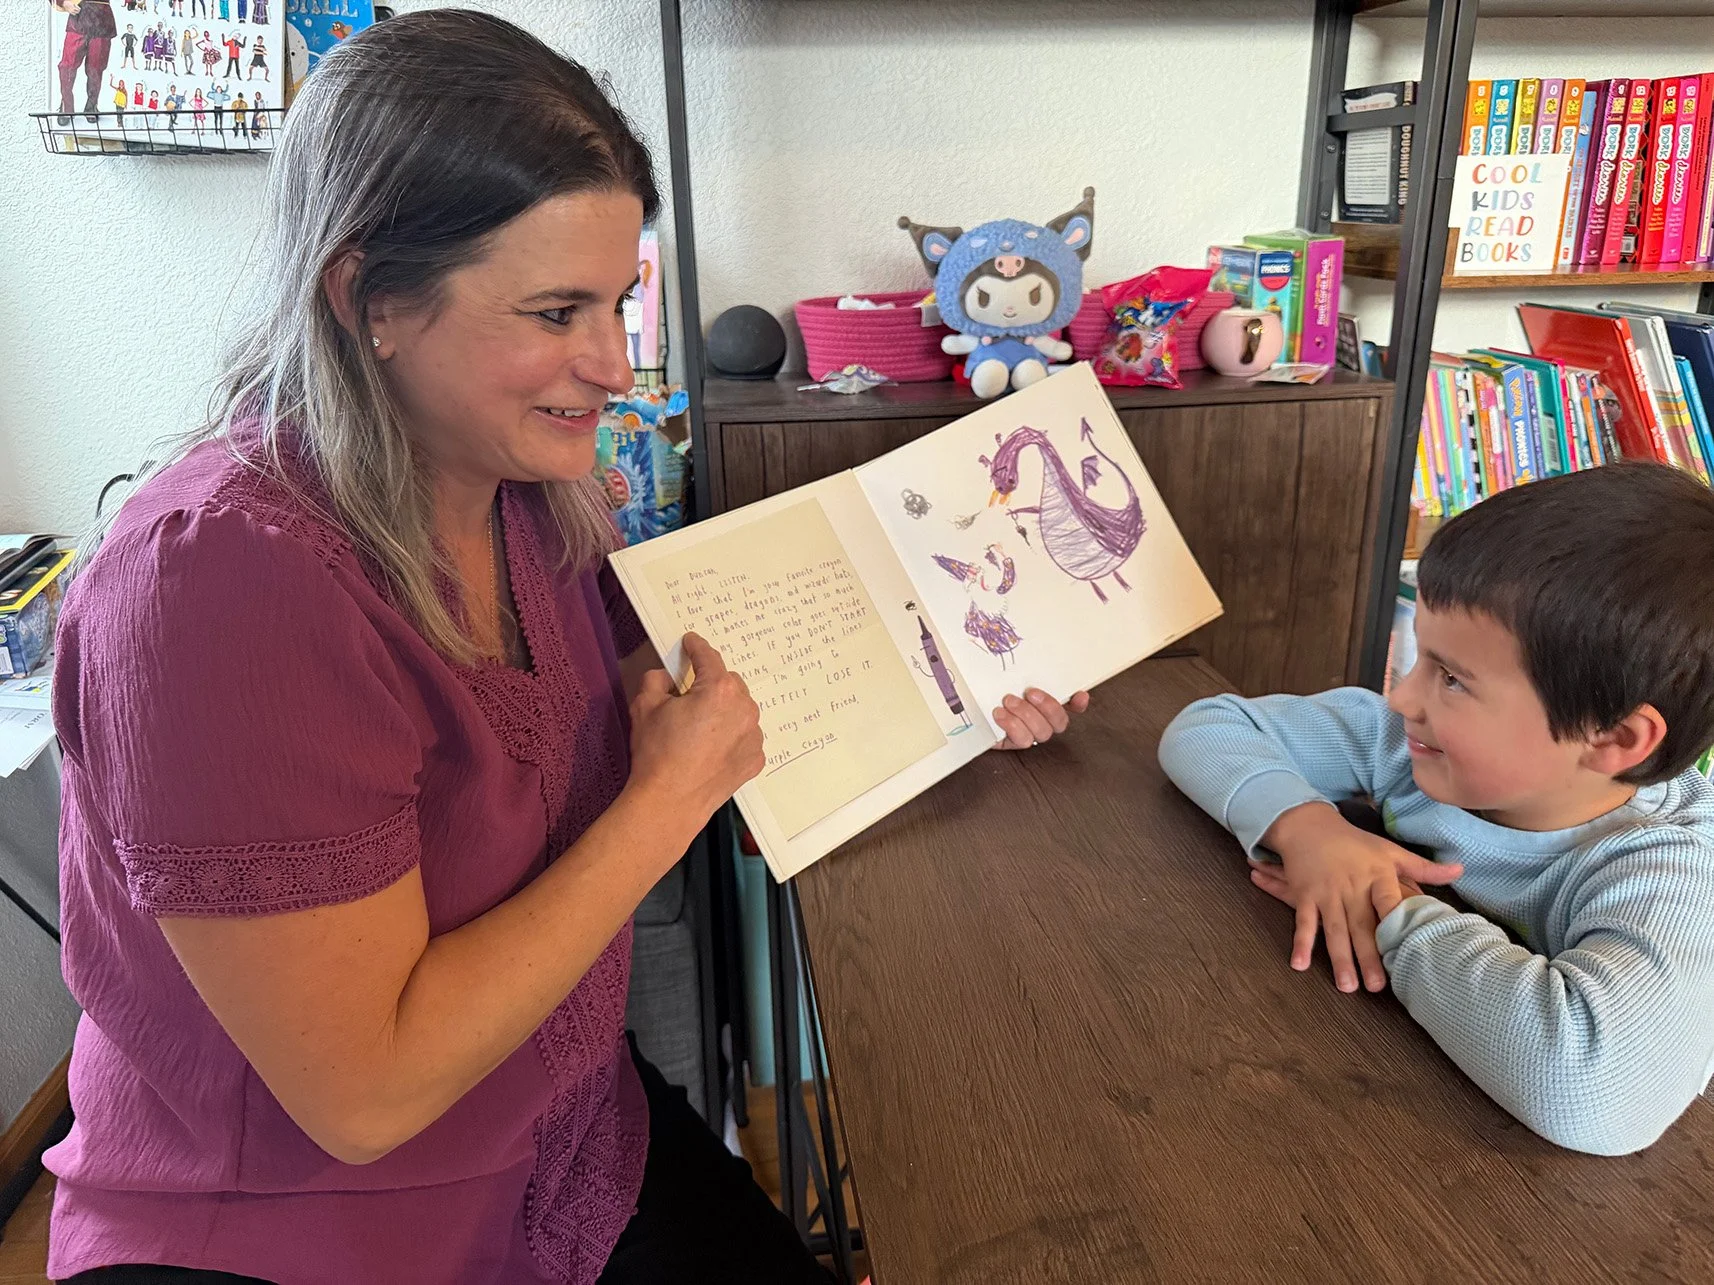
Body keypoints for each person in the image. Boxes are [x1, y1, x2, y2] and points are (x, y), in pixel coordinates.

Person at [45, 11, 1083, 1284]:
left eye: (619, 302)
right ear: (368, 299)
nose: (613, 366)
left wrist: (958, 681)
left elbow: (672, 706)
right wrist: (664, 800)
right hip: (306, 1230)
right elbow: (363, 1094)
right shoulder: (215, 583)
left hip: (563, 1134)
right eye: (556, 311)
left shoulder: (521, 491)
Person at [1159, 462, 1714, 1157]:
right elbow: (1205, 728)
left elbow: (1598, 1092)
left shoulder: (1671, 871)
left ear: (1612, 738)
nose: (1401, 696)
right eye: (1422, 656)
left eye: (1452, 678)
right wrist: (1309, 829)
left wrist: (1389, 908)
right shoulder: (1412, 747)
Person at [56, 0, 116, 122]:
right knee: (67, 67)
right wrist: (63, 2)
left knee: (96, 68)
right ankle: (67, 107)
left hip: (102, 20)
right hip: (77, 19)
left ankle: (91, 106)